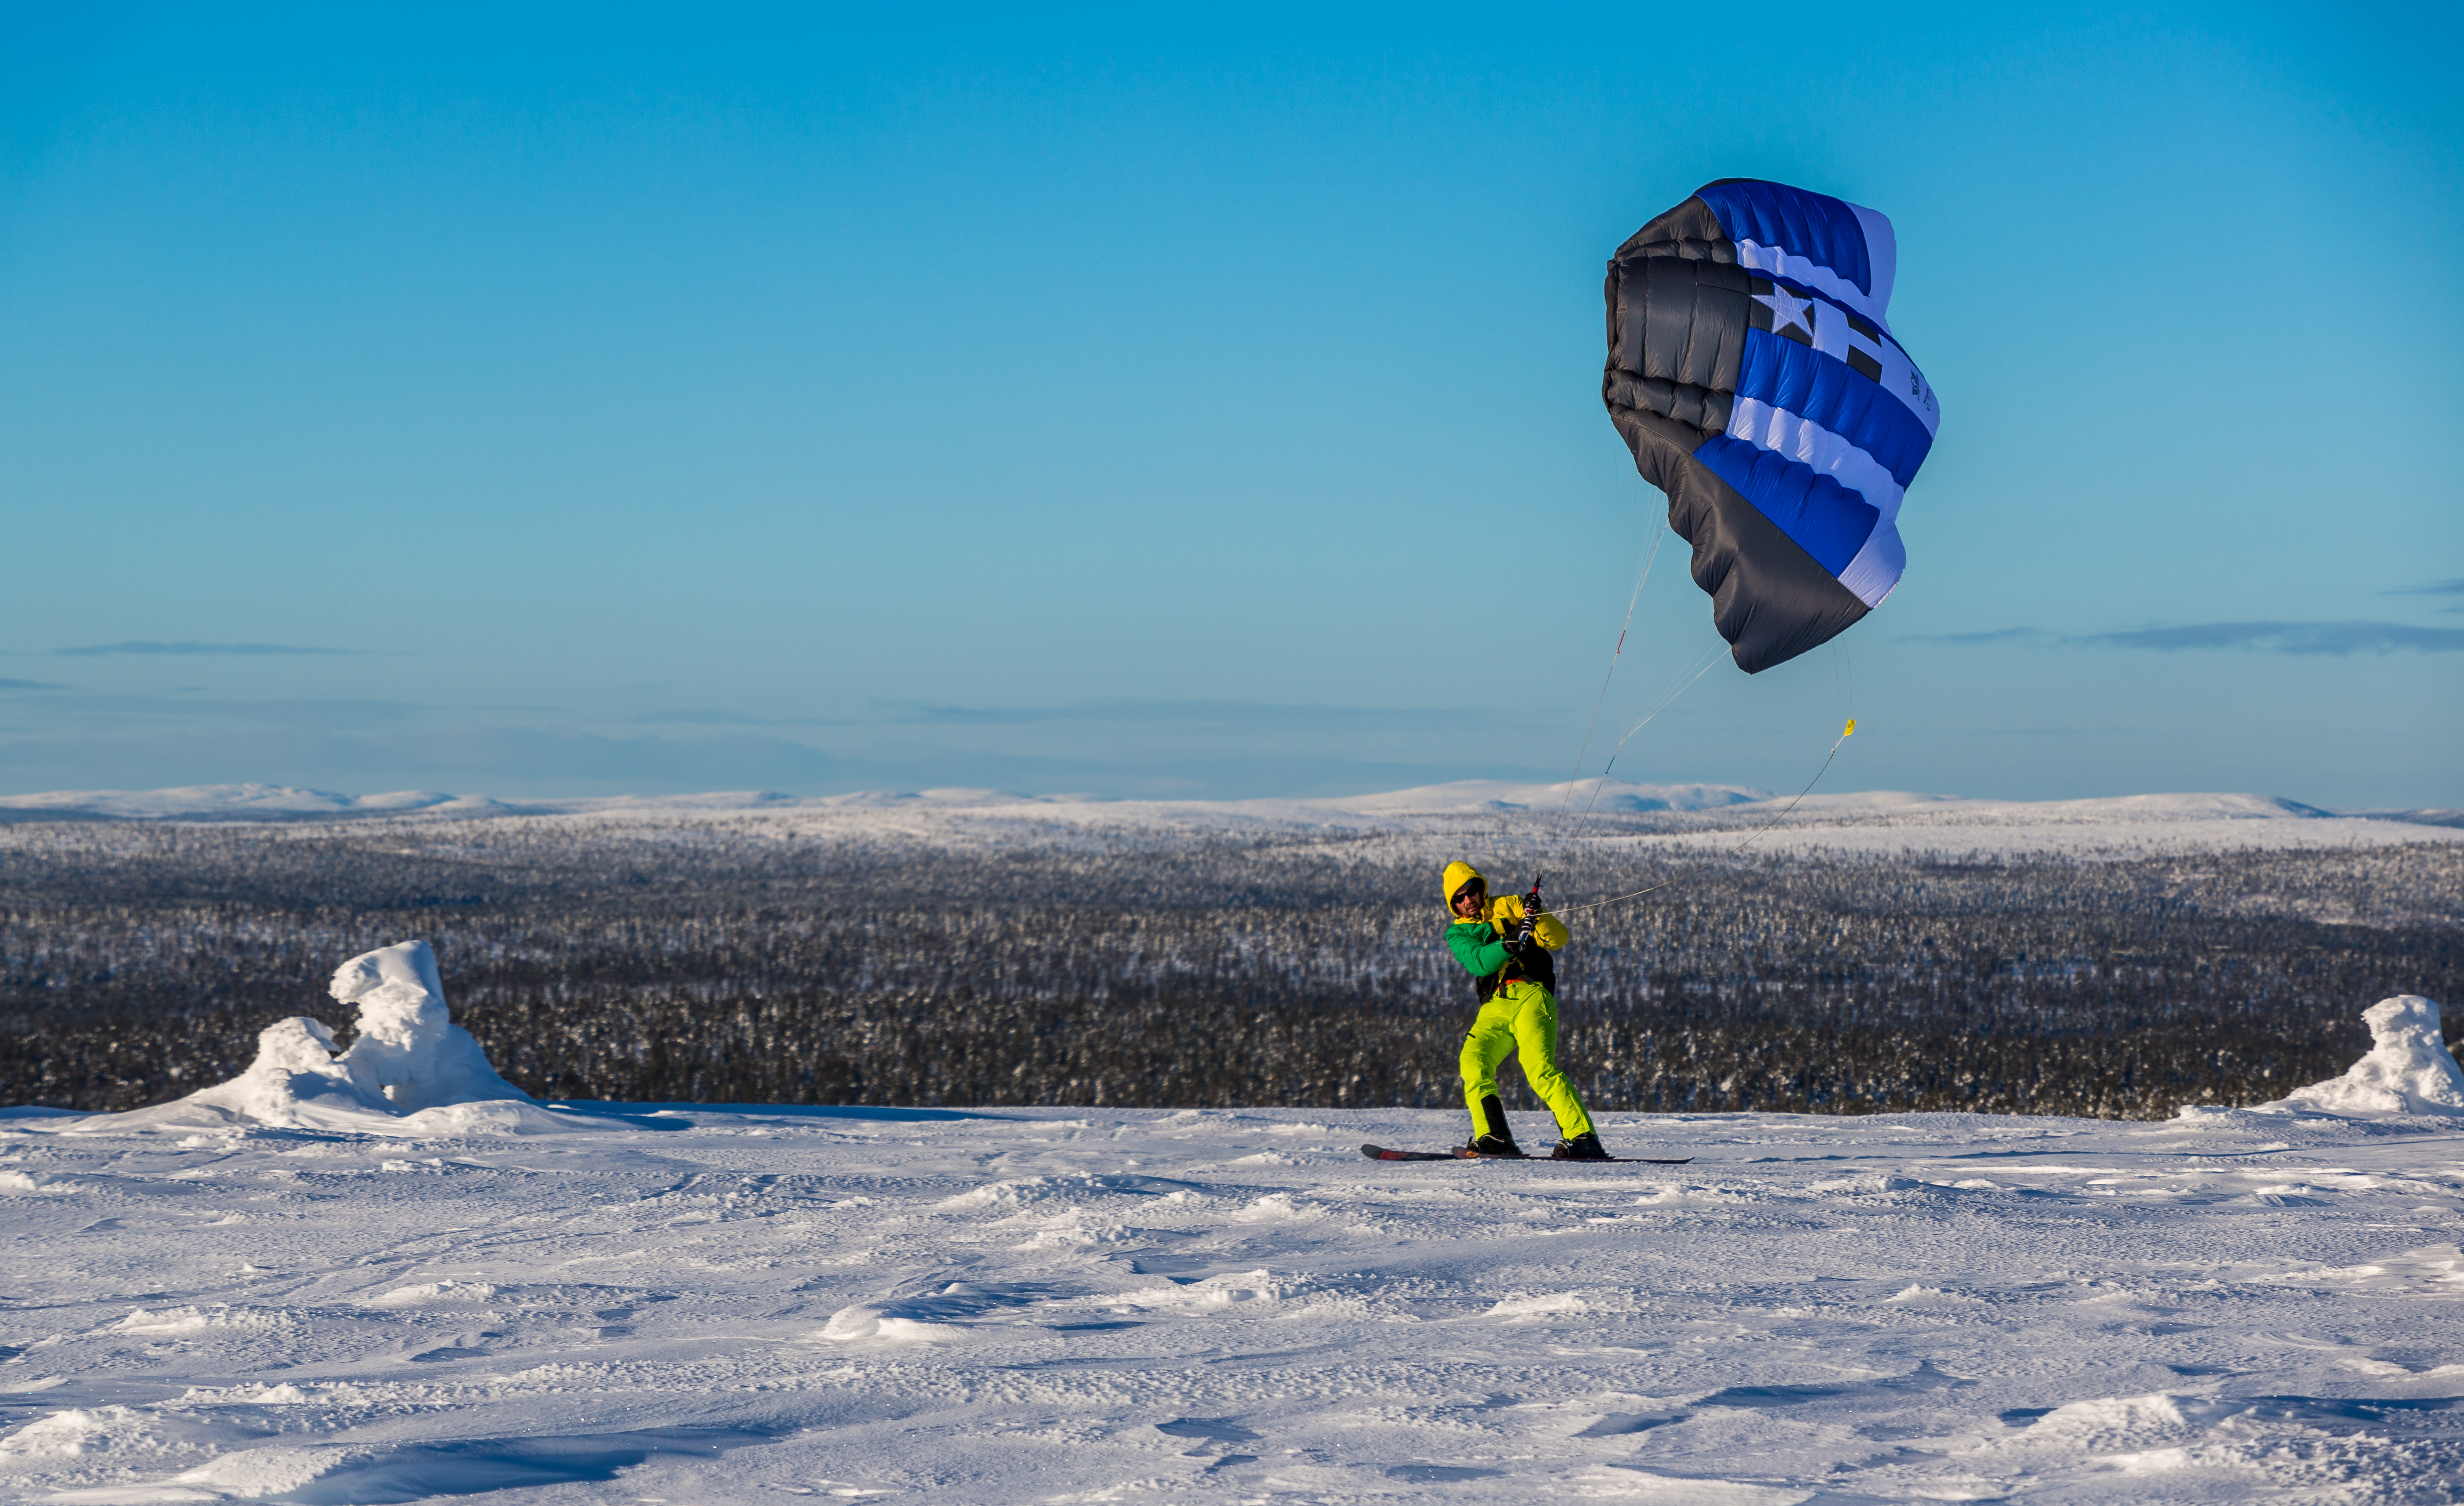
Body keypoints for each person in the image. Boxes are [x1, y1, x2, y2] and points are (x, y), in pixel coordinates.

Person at [1441, 862, 1609, 1160]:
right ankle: (1495, 1138)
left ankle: (1583, 1138)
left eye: (1472, 892)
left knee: (1539, 1068)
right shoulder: (1457, 933)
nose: (1468, 900)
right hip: (1496, 1004)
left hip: (1532, 993)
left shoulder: (1509, 904)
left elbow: (1557, 939)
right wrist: (1508, 936)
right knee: (1472, 1061)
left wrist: (1535, 914)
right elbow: (1479, 961)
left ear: (1481, 890)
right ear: (1453, 904)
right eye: (1459, 897)